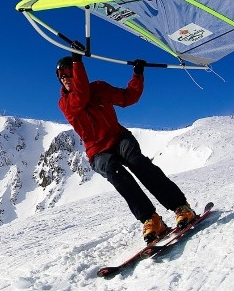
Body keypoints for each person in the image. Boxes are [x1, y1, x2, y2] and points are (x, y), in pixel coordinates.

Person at [55, 42, 196, 243]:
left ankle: (181, 208)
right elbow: (81, 96)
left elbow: (128, 98)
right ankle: (151, 219)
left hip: (119, 138)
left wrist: (137, 75)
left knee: (138, 163)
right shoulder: (66, 103)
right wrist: (77, 62)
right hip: (97, 152)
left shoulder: (100, 88)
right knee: (115, 172)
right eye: (62, 77)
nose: (66, 79)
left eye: (69, 74)